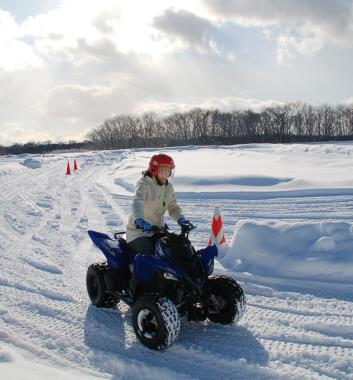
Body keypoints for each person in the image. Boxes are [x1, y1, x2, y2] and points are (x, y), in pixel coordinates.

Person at [126, 153, 195, 255]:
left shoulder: (168, 187)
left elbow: (173, 207)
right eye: (163, 171)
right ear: (154, 170)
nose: (165, 175)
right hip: (139, 232)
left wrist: (181, 219)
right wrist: (139, 220)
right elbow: (137, 203)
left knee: (175, 249)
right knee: (149, 253)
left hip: (157, 230)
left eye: (168, 171)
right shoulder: (144, 184)